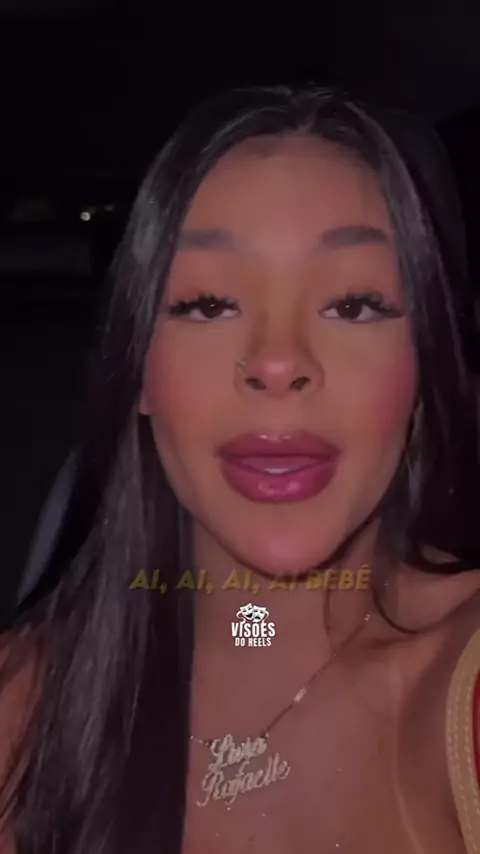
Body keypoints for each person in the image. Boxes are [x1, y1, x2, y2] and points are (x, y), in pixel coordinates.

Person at [1, 85, 480, 854]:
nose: (278, 362)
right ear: (139, 371)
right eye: (209, 303)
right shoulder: (21, 704)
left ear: (423, 370)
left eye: (354, 304)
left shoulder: (462, 681)